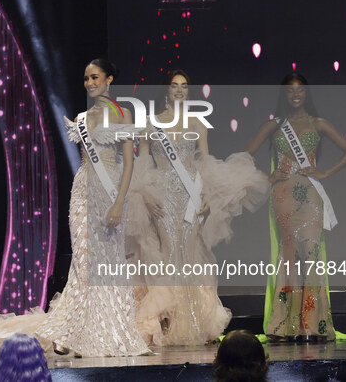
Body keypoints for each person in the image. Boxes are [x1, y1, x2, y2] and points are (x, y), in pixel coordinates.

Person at [129, 69, 269, 346]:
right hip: (163, 195)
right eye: (174, 86)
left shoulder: (197, 123)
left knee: (192, 254)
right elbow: (142, 164)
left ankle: (194, 322)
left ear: (188, 92)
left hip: (191, 195)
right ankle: (168, 323)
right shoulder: (150, 124)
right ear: (166, 90)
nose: (179, 90)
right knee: (169, 253)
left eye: (183, 86)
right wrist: (145, 194)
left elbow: (204, 163)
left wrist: (207, 196)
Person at [34, 58, 150, 357]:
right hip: (83, 190)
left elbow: (128, 165)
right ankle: (72, 331)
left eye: (95, 77)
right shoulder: (82, 118)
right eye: (86, 79)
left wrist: (118, 203)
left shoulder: (122, 115)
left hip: (111, 191)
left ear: (109, 79)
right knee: (83, 260)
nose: (90, 83)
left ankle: (103, 329)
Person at [245, 73, 346, 341]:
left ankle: (313, 325)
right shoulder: (274, 126)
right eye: (290, 91)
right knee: (290, 256)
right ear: (284, 95)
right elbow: (246, 153)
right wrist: (266, 176)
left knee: (312, 255)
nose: (296, 95)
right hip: (283, 196)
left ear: (306, 94)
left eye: (301, 91)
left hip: (310, 196)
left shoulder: (318, 124)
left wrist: (326, 172)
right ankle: (286, 325)